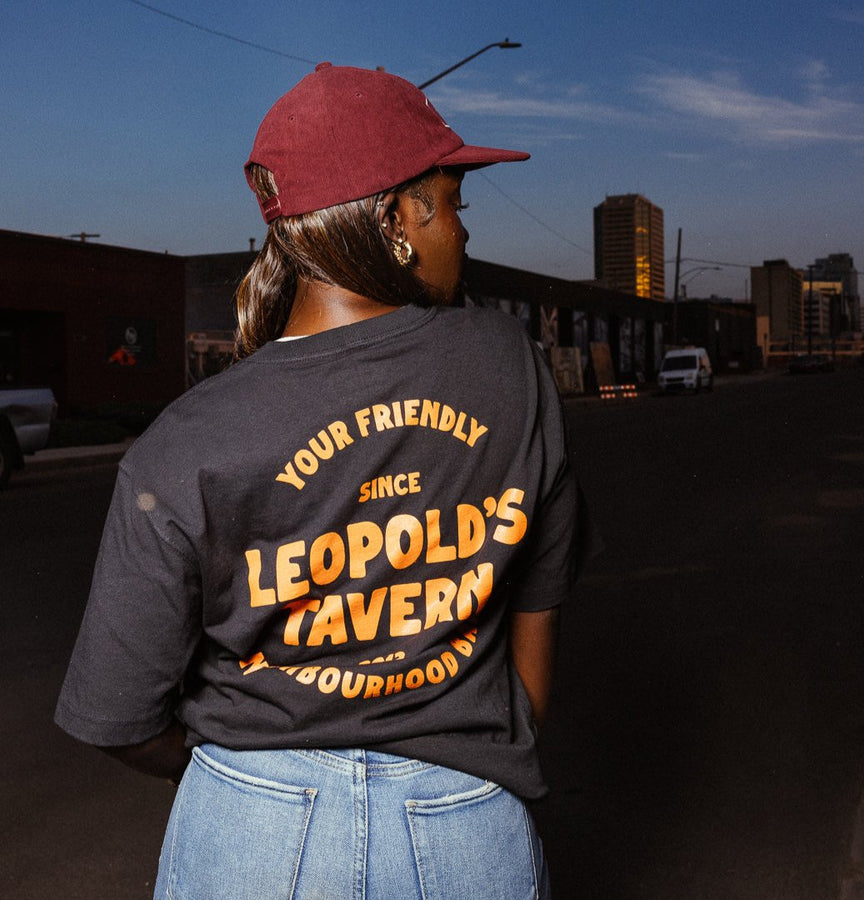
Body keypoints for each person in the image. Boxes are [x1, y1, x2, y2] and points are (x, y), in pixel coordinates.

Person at [56, 62, 578, 899]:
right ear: (392, 217)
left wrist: (249, 774)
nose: (464, 234)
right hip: (466, 825)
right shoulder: (507, 367)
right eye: (452, 204)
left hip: (250, 835)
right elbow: (536, 630)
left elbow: (118, 715)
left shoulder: (185, 441)